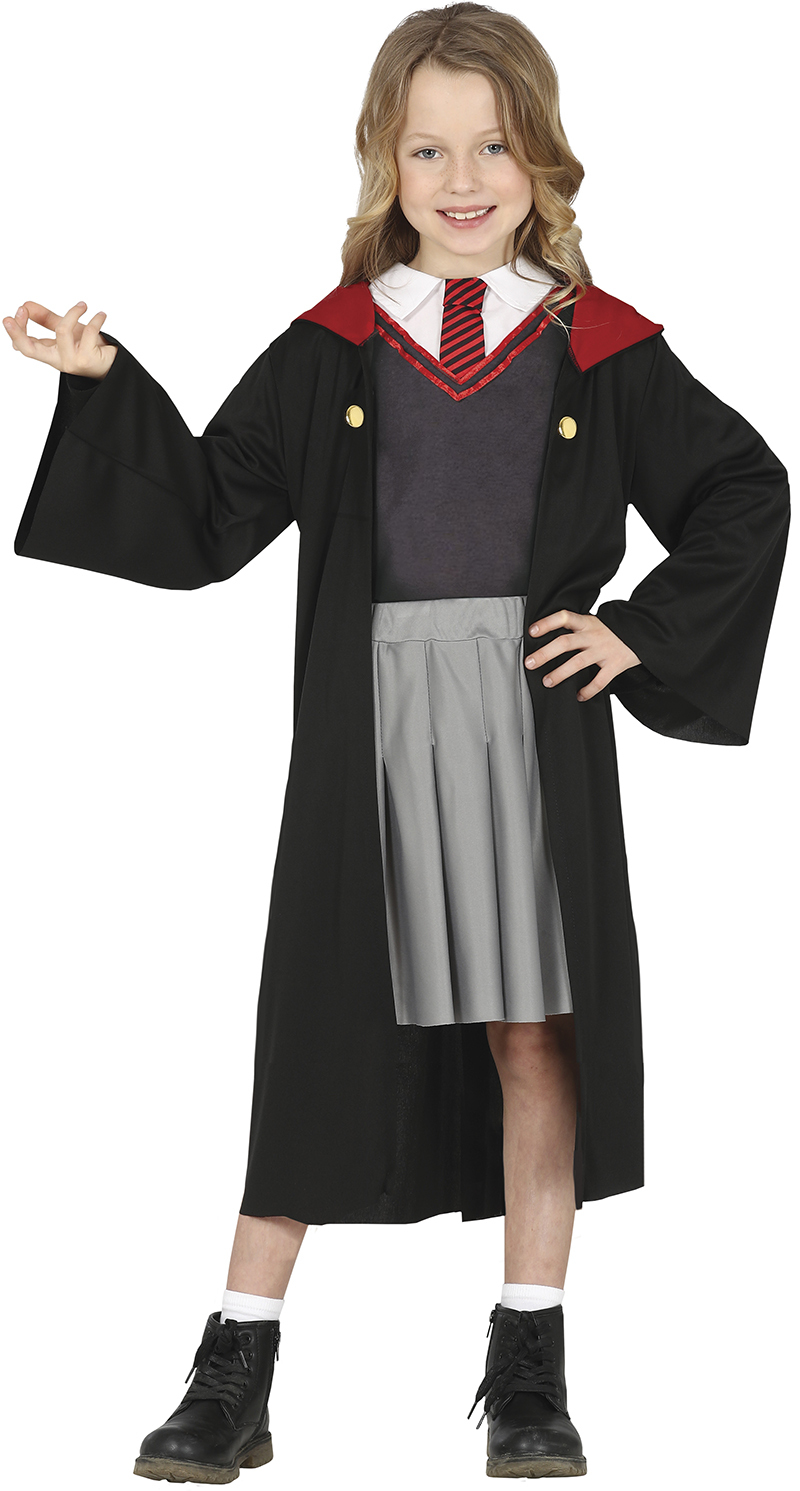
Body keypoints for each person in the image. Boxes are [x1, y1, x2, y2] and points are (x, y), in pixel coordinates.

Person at [5, 3, 790, 1483]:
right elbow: (211, 510)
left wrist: (638, 629)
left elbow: (744, 485)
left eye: (493, 146)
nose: (463, 179)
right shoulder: (336, 345)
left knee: (535, 1033)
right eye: (429, 149)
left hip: (526, 722)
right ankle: (237, 1363)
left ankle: (530, 1365)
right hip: (370, 720)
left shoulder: (602, 346)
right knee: (319, 1022)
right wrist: (106, 385)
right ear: (384, 161)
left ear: (543, 158)